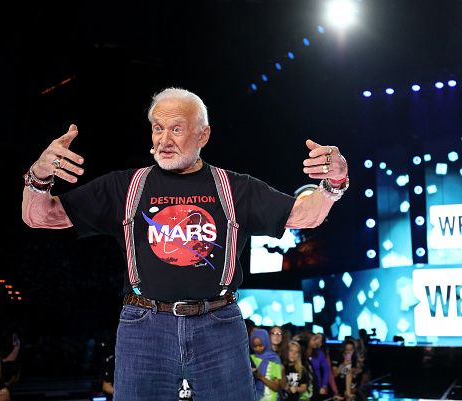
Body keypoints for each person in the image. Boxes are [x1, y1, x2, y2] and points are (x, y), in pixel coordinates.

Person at [21, 87, 350, 401]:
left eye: (176, 129)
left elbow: (305, 215)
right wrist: (38, 178)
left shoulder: (235, 187)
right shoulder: (124, 186)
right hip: (144, 327)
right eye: (157, 128)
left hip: (219, 326)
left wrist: (334, 183)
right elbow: (38, 216)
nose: (163, 140)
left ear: (202, 135)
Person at [250, 328, 285, 401]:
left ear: (266, 342)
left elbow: (276, 387)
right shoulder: (250, 359)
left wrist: (261, 377)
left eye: (260, 345)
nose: (258, 348)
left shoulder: (274, 359)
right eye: (255, 346)